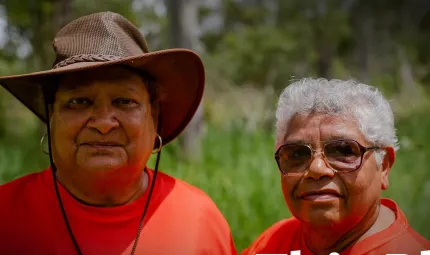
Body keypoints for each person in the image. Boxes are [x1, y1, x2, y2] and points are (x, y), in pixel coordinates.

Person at [0, 12, 237, 255]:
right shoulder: (5, 217)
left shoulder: (200, 221)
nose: (103, 123)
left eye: (124, 101)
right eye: (79, 101)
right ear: (52, 116)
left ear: (153, 116)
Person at [242, 78, 430, 255]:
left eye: (342, 150)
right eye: (297, 154)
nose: (316, 169)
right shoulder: (273, 243)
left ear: (385, 166)